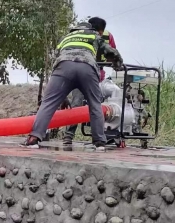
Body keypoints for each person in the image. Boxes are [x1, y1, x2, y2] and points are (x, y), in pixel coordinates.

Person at [22, 20, 123, 151]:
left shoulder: (65, 38)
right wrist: (117, 65)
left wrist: (62, 97)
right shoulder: (93, 35)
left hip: (63, 68)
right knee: (95, 104)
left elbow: (56, 60)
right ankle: (99, 143)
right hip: (87, 68)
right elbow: (111, 52)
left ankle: (34, 139)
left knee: (48, 103)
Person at [62, 17, 117, 145]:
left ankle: (103, 135)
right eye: (99, 32)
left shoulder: (108, 36)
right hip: (81, 73)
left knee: (97, 105)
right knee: (78, 103)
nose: (100, 35)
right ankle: (69, 135)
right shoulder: (86, 36)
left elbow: (112, 53)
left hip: (97, 75)